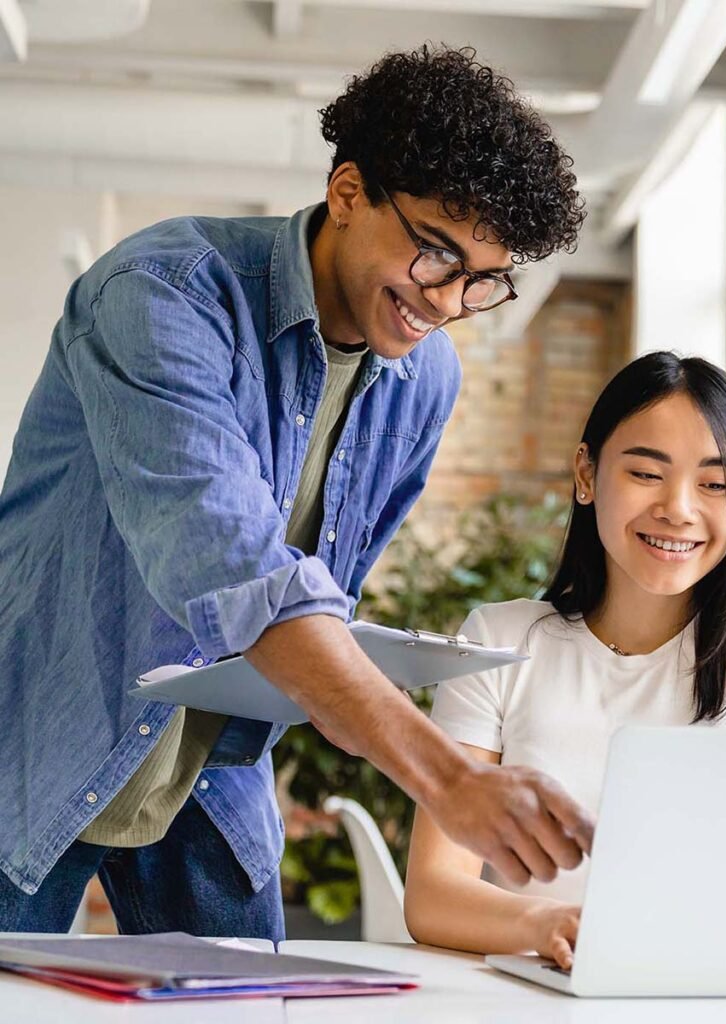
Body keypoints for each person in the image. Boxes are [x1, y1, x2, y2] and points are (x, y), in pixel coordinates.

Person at [0, 45, 594, 938]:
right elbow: (235, 567)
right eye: (437, 255)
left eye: (485, 281)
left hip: (206, 772)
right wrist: (449, 777)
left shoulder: (422, 378)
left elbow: (323, 587)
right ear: (349, 191)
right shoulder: (162, 296)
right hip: (42, 744)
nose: (448, 303)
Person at [403, 352, 726, 968]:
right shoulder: (499, 642)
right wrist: (551, 925)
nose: (680, 508)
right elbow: (433, 894)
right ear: (585, 475)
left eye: (715, 484)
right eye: (646, 473)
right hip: (528, 995)